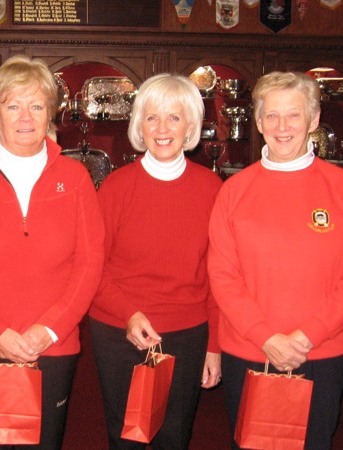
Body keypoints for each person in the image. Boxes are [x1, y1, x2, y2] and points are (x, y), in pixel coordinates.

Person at [0, 54, 105, 449]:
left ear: (51, 114)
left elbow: (90, 262)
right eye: (13, 105)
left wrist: (50, 329)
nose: (25, 116)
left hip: (54, 345)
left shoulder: (76, 178)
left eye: (37, 105)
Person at [207, 71, 343, 449]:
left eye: (294, 115)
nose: (282, 126)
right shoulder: (234, 191)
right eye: (272, 115)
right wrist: (264, 337)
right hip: (250, 351)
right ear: (258, 121)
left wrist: (307, 336)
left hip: (320, 352)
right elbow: (222, 274)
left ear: (314, 120)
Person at [88, 73, 223, 450]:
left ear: (192, 127)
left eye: (174, 118)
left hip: (187, 333)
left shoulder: (213, 190)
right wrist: (128, 313)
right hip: (118, 331)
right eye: (151, 118)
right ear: (138, 126)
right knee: (126, 437)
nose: (162, 128)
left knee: (175, 437)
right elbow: (92, 268)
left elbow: (219, 275)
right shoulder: (114, 189)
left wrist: (215, 344)